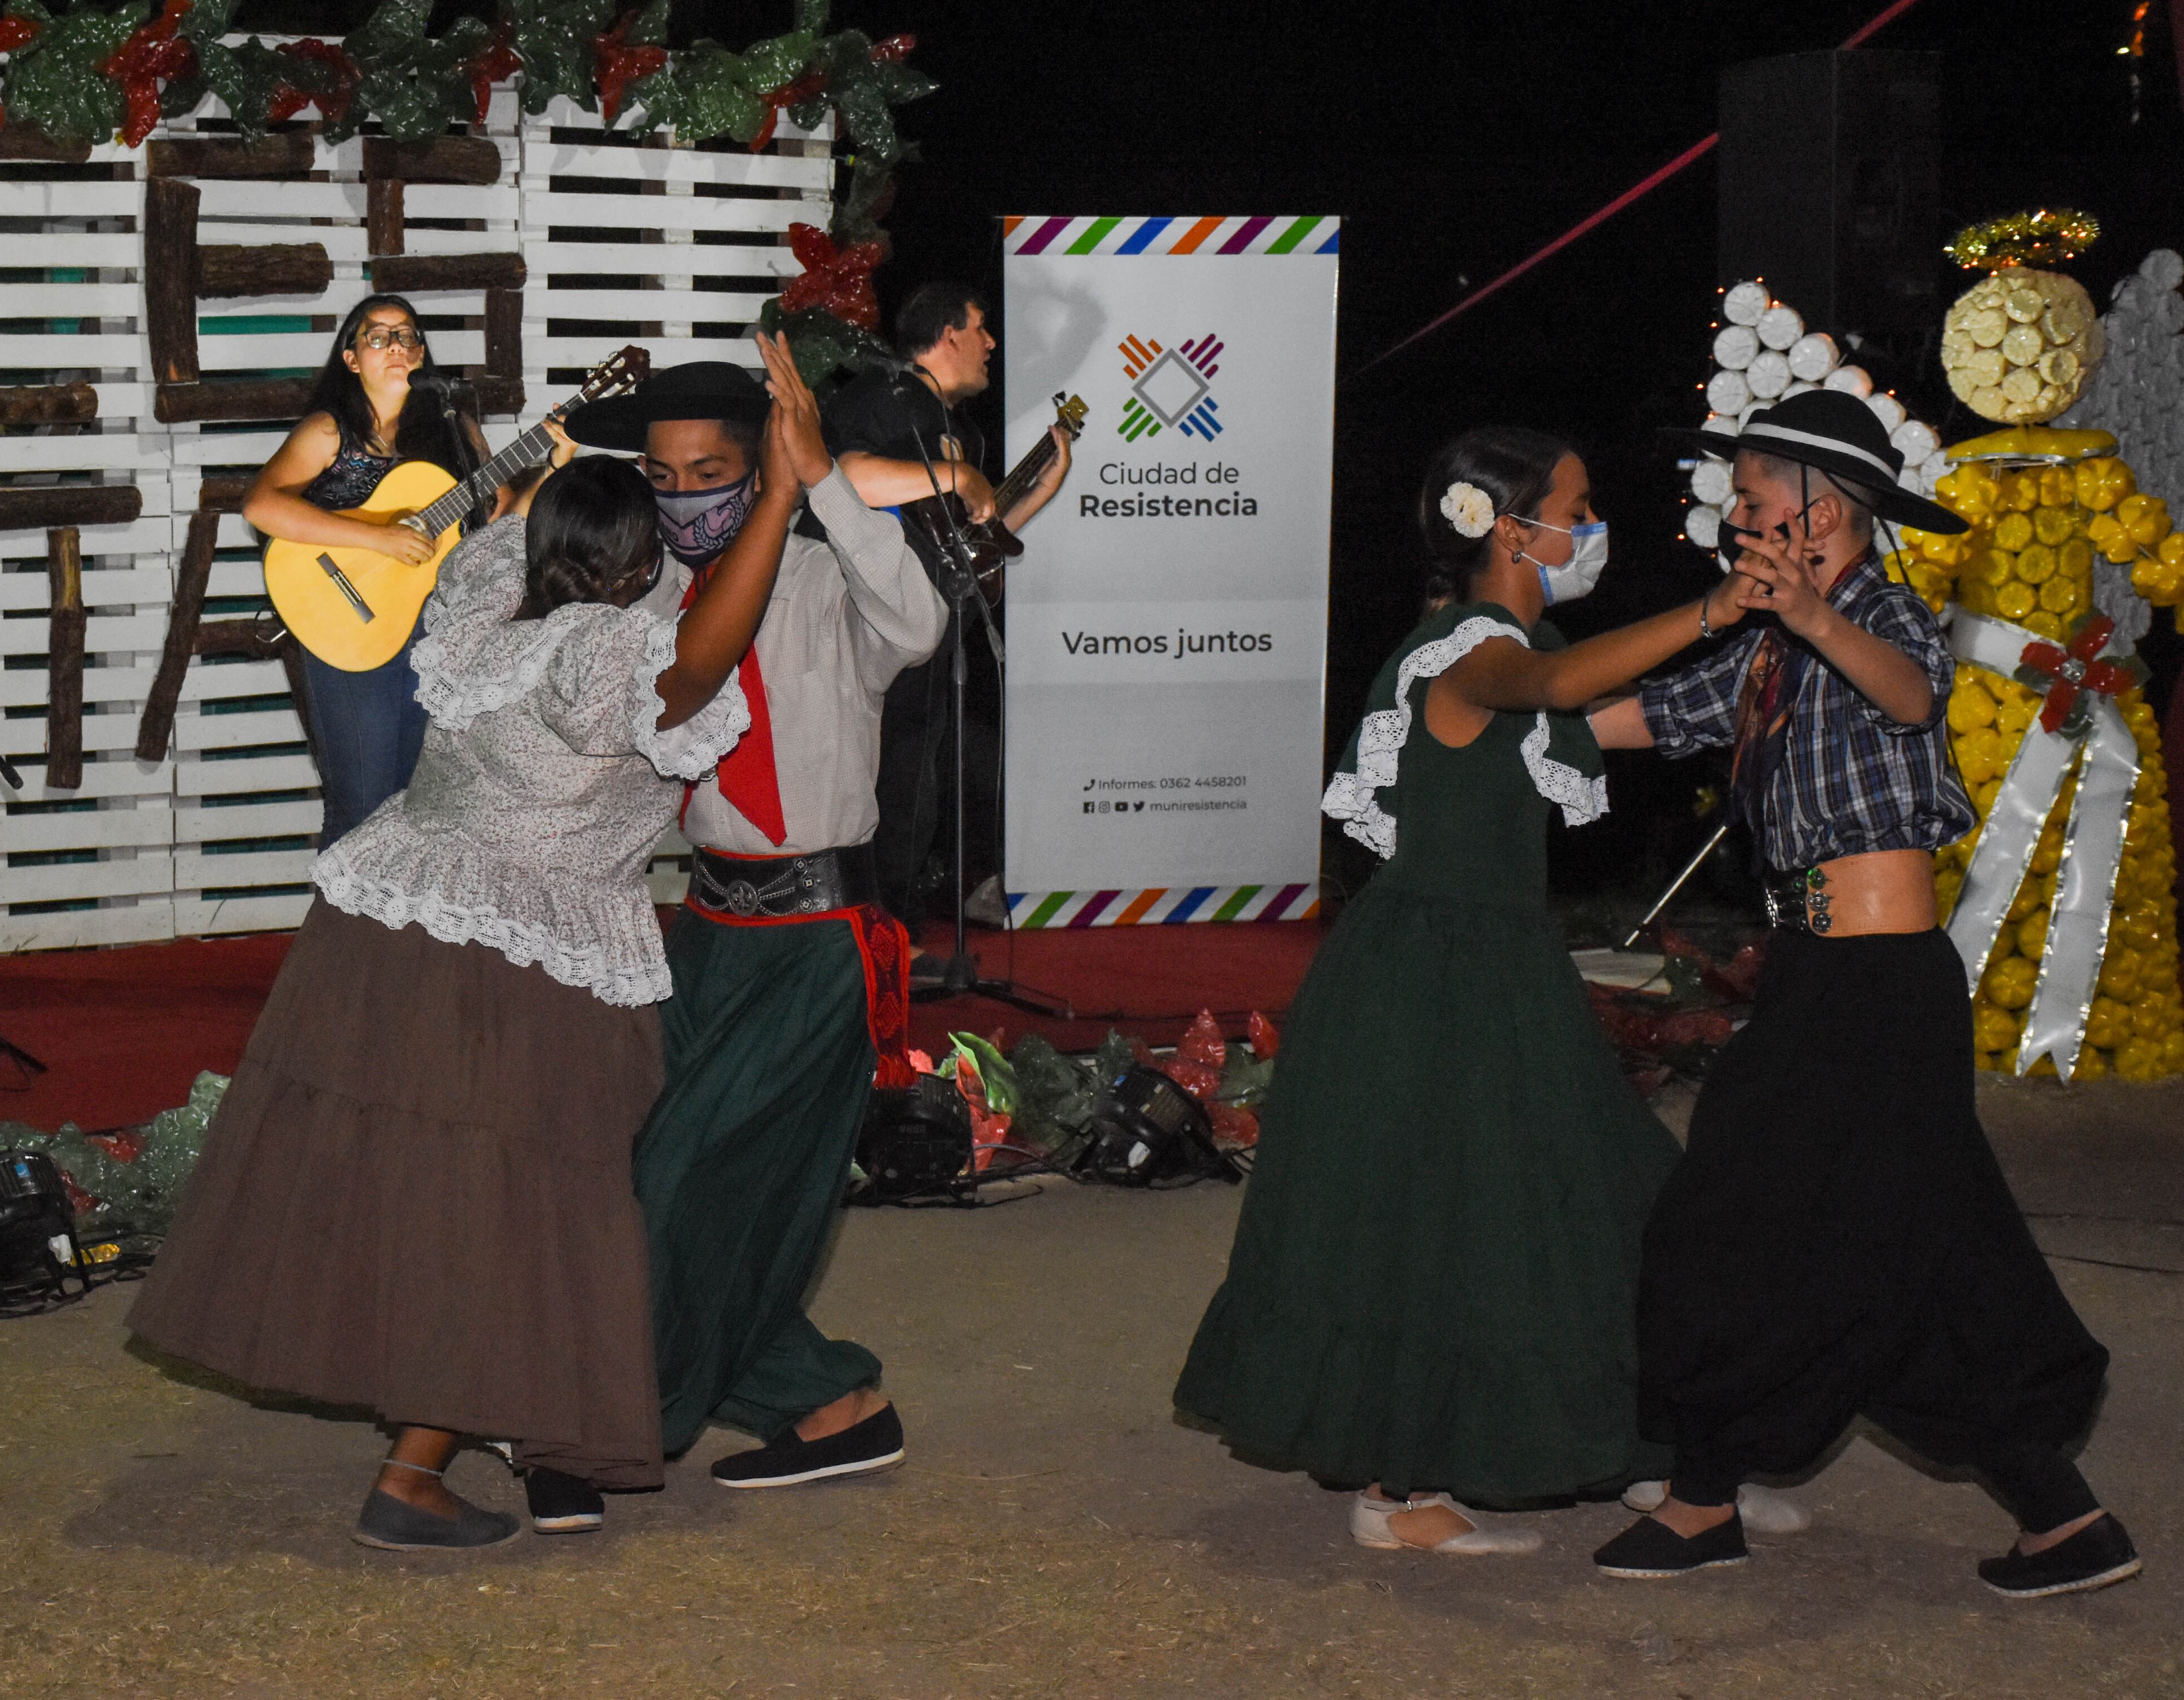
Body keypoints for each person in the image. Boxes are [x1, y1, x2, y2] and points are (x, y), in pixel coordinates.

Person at [127, 334, 827, 1551]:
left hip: (388, 926)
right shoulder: (611, 645)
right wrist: (776, 494)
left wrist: (536, 475)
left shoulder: (488, 595)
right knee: (509, 1209)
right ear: (634, 567)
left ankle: (452, 1427)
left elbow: (509, 517)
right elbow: (702, 654)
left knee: (406, 1185)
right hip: (523, 951)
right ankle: (411, 1473)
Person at [1174, 428, 1770, 1555]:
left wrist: (1761, 680)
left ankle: (1638, 1445)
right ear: (1508, 528)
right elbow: (1544, 685)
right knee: (1453, 1222)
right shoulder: (1470, 647)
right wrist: (1711, 611)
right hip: (1434, 974)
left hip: (1484, 964)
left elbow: (1591, 715)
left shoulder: (1514, 644)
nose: (1590, 527)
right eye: (1575, 505)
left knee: (1596, 1195)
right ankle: (1401, 1493)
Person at [1586, 389, 2137, 1597]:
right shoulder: (1765, 648)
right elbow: (1637, 712)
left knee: (1725, 1212)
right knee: (1917, 1252)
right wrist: (1491, 727)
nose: (1731, 513)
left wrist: (1812, 615)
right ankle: (2063, 1517)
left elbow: (1909, 692)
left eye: (1749, 494)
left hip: (1878, 983)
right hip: (1825, 977)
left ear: (1820, 507)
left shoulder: (1880, 612)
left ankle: (1699, 1498)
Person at [560, 359, 946, 1490]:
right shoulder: (644, 602)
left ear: (761, 465)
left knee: (689, 1179)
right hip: (703, 930)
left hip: (818, 938)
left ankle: (616, 1418)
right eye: (663, 475)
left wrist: (821, 479)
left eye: (713, 473)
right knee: (639, 1173)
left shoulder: (830, 578)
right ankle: (833, 1402)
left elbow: (919, 622)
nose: (685, 498)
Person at [823, 283, 1074, 931]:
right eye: (981, 327)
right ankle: (868, 942)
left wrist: (1036, 491)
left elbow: (969, 543)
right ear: (947, 333)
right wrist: (959, 477)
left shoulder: (959, 430)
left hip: (935, 643)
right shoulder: (882, 396)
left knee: (917, 794)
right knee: (884, 792)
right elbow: (846, 478)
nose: (992, 344)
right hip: (871, 638)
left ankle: (895, 938)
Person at [240, 294, 489, 844]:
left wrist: (557, 454)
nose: (395, 345)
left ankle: (394, 930)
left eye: (406, 335)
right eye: (378, 336)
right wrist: (378, 537)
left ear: (421, 353)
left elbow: (500, 515)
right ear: (352, 359)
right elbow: (261, 505)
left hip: (436, 628)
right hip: (350, 621)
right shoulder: (330, 431)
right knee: (361, 805)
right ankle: (338, 930)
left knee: (414, 804)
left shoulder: (455, 431)